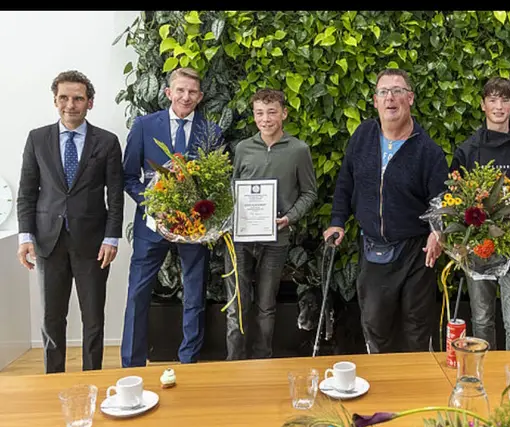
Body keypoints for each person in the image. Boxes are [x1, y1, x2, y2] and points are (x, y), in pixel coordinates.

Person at [324, 68, 448, 353]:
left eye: (398, 91)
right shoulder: (362, 136)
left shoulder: (428, 150)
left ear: (410, 98)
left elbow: (442, 198)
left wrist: (438, 231)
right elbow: (345, 181)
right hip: (373, 249)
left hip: (416, 253)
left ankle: (415, 392)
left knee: (417, 329)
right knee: (376, 327)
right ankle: (382, 392)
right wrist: (337, 221)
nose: (390, 98)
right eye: (383, 92)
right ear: (375, 101)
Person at [16, 70, 124, 373]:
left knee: (93, 318)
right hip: (48, 242)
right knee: (52, 318)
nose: (70, 104)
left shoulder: (107, 142)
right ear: (55, 100)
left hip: (93, 244)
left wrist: (111, 238)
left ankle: (94, 378)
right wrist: (25, 237)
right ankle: (54, 380)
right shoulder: (37, 139)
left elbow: (115, 195)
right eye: (64, 97)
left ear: (90, 102)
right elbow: (27, 192)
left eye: (78, 98)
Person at [121, 67, 222, 367]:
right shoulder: (143, 126)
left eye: (192, 92)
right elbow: (128, 177)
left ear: (200, 97)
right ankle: (132, 363)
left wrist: (202, 211)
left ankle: (188, 361)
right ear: (168, 93)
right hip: (152, 226)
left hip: (194, 229)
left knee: (194, 296)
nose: (185, 97)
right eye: (180, 90)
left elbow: (216, 183)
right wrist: (152, 203)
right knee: (138, 294)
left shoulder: (211, 132)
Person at [450, 77, 510, 350]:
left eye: (505, 100)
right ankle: (485, 378)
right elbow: (455, 199)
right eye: (492, 100)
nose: (499, 106)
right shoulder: (467, 150)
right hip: (479, 249)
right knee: (481, 321)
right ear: (483, 105)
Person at [225, 88, 317, 359]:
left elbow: (310, 192)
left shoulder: (299, 150)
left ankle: (262, 360)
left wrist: (290, 217)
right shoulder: (243, 148)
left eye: (272, 112)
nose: (265, 119)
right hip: (240, 239)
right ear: (254, 116)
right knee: (236, 305)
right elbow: (233, 188)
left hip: (276, 240)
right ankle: (233, 362)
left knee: (266, 305)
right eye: (259, 113)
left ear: (284, 113)